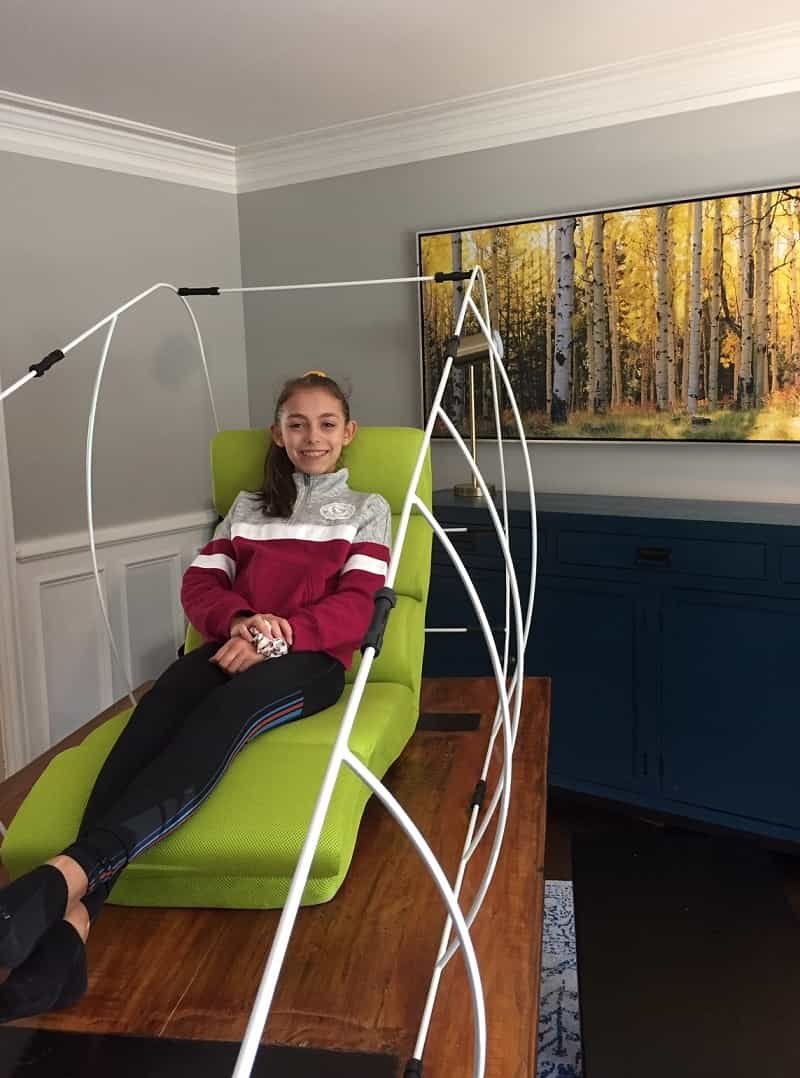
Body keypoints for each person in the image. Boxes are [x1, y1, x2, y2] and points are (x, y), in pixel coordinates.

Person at [0, 370, 392, 1022]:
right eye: (297, 423)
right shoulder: (247, 505)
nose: (312, 436)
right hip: (228, 644)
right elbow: (201, 589)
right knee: (150, 723)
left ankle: (59, 881)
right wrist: (240, 623)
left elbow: (357, 607)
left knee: (220, 721)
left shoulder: (367, 509)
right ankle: (68, 938)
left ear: (347, 434)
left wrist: (278, 633)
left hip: (309, 661)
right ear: (278, 432)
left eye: (327, 424)